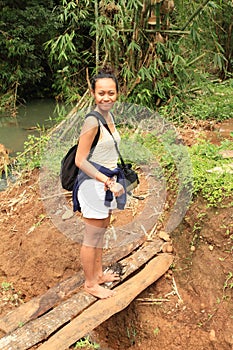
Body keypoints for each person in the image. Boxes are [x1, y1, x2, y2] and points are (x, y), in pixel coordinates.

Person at [74, 67, 126, 299]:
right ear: (93, 93)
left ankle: (98, 275)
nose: (106, 97)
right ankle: (90, 284)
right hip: (93, 185)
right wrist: (107, 180)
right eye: (101, 93)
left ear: (117, 93)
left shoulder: (109, 115)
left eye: (111, 93)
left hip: (106, 184)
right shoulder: (92, 122)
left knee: (101, 232)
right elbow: (80, 160)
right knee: (91, 236)